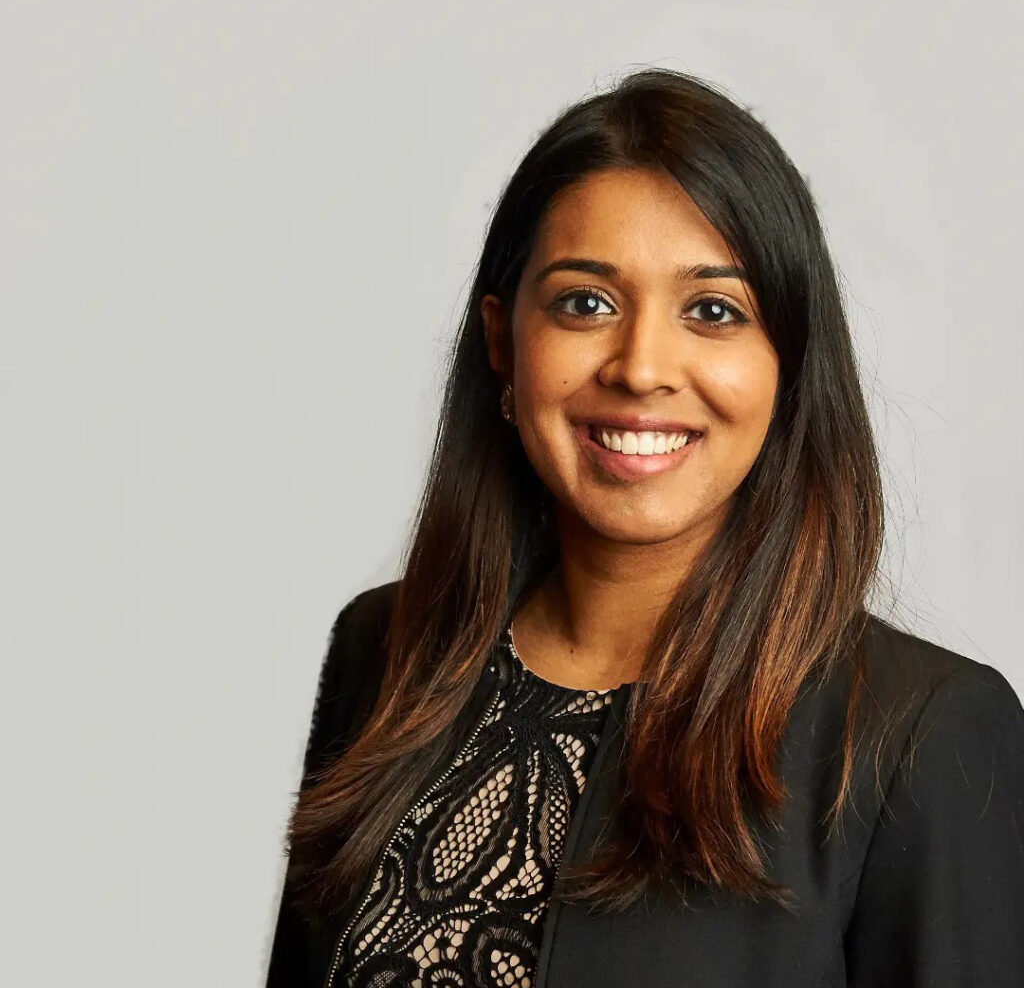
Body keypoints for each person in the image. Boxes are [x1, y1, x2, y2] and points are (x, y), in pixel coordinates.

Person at [264, 68, 1024, 988]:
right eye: (586, 303)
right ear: (504, 340)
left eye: (713, 311)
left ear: (787, 362)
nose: (642, 368)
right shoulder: (385, 652)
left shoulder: (918, 737)